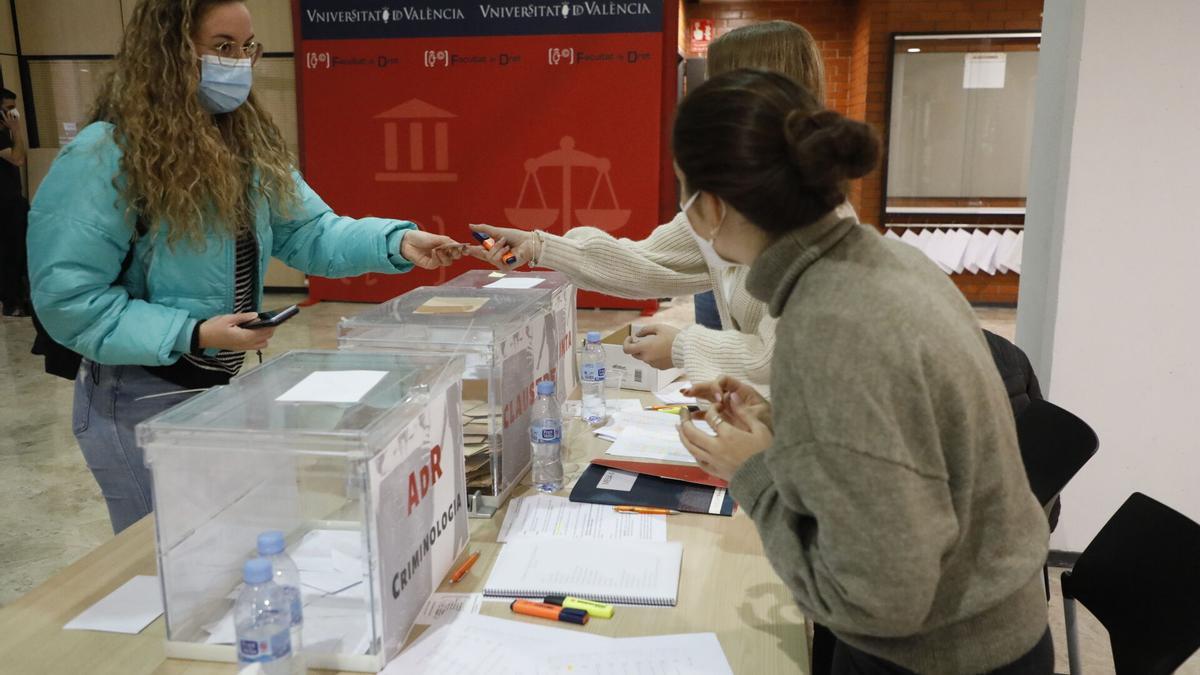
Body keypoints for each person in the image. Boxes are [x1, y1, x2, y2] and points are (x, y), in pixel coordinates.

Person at [27, 0, 463, 535]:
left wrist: (396, 242)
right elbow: (70, 301)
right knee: (170, 564)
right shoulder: (105, 155)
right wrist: (192, 331)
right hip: (138, 396)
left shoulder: (240, 145)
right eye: (222, 48)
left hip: (220, 386)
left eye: (247, 48)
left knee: (239, 553)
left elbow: (310, 231)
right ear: (168, 53)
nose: (239, 63)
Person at [674, 70, 1053, 674]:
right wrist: (791, 422)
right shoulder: (886, 259)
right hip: (994, 625)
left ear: (712, 206)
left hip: (937, 656)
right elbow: (899, 444)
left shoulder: (829, 326)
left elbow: (880, 600)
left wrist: (755, 476)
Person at [470, 21, 851, 387]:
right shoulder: (735, 201)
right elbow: (645, 262)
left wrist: (682, 345)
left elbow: (780, 358)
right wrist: (539, 246)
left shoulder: (810, 222)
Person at [0, 87, 30, 317]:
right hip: (4, 204)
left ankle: (20, 296)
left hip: (13, 200)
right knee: (10, 252)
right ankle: (12, 300)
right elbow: (19, 158)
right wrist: (17, 130)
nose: (13, 114)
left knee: (20, 250)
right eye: (8, 109)